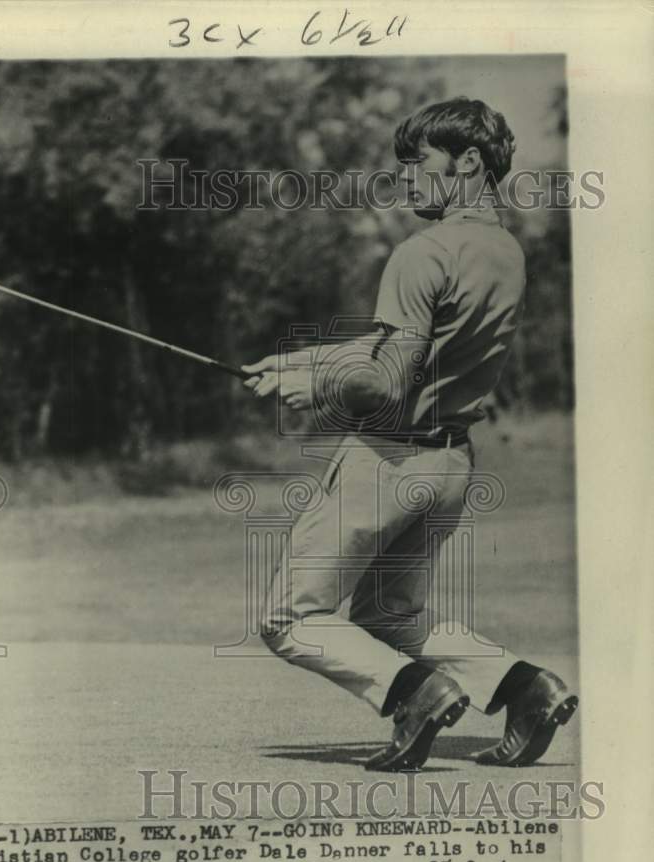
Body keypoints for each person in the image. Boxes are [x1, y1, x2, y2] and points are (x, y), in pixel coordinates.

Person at [242, 97, 578, 771]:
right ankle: (525, 687)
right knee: (388, 614)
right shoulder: (502, 250)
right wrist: (306, 360)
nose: (402, 177)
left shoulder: (421, 252)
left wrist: (322, 388)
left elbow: (388, 380)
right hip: (449, 467)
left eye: (416, 161)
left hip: (385, 464)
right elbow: (413, 344)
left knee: (289, 619)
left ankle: (416, 694)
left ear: (468, 162)